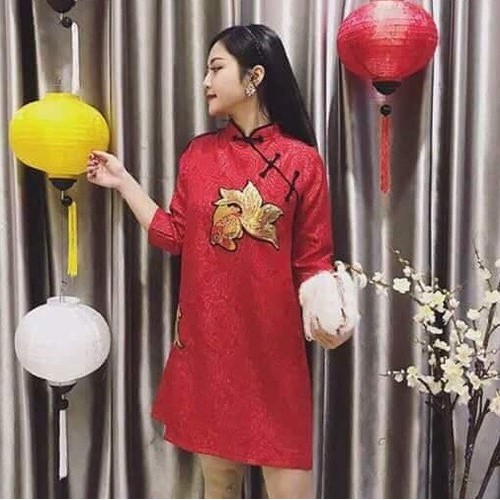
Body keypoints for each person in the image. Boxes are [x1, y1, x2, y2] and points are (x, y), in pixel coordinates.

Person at [86, 24, 358, 499]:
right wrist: (124, 181)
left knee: (291, 488)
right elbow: (174, 236)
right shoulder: (199, 154)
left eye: (216, 69)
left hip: (274, 354)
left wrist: (328, 308)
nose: (206, 82)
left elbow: (313, 260)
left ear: (254, 76)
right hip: (209, 349)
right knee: (219, 486)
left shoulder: (302, 162)